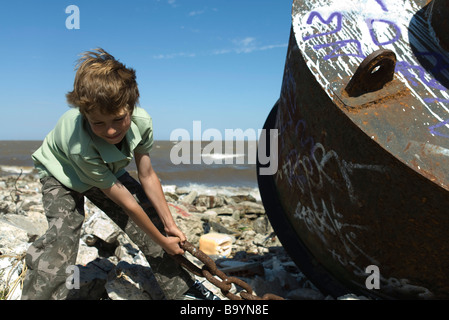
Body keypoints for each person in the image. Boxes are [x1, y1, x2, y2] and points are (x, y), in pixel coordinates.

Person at [21, 48, 219, 300]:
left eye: (118, 119)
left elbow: (147, 175)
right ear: (85, 115)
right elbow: (124, 202)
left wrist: (169, 226)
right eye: (98, 123)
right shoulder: (81, 147)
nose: (111, 131)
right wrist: (160, 239)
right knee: (62, 239)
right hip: (62, 173)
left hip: (105, 171)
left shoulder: (142, 121)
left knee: (154, 221)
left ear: (131, 107)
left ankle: (184, 292)